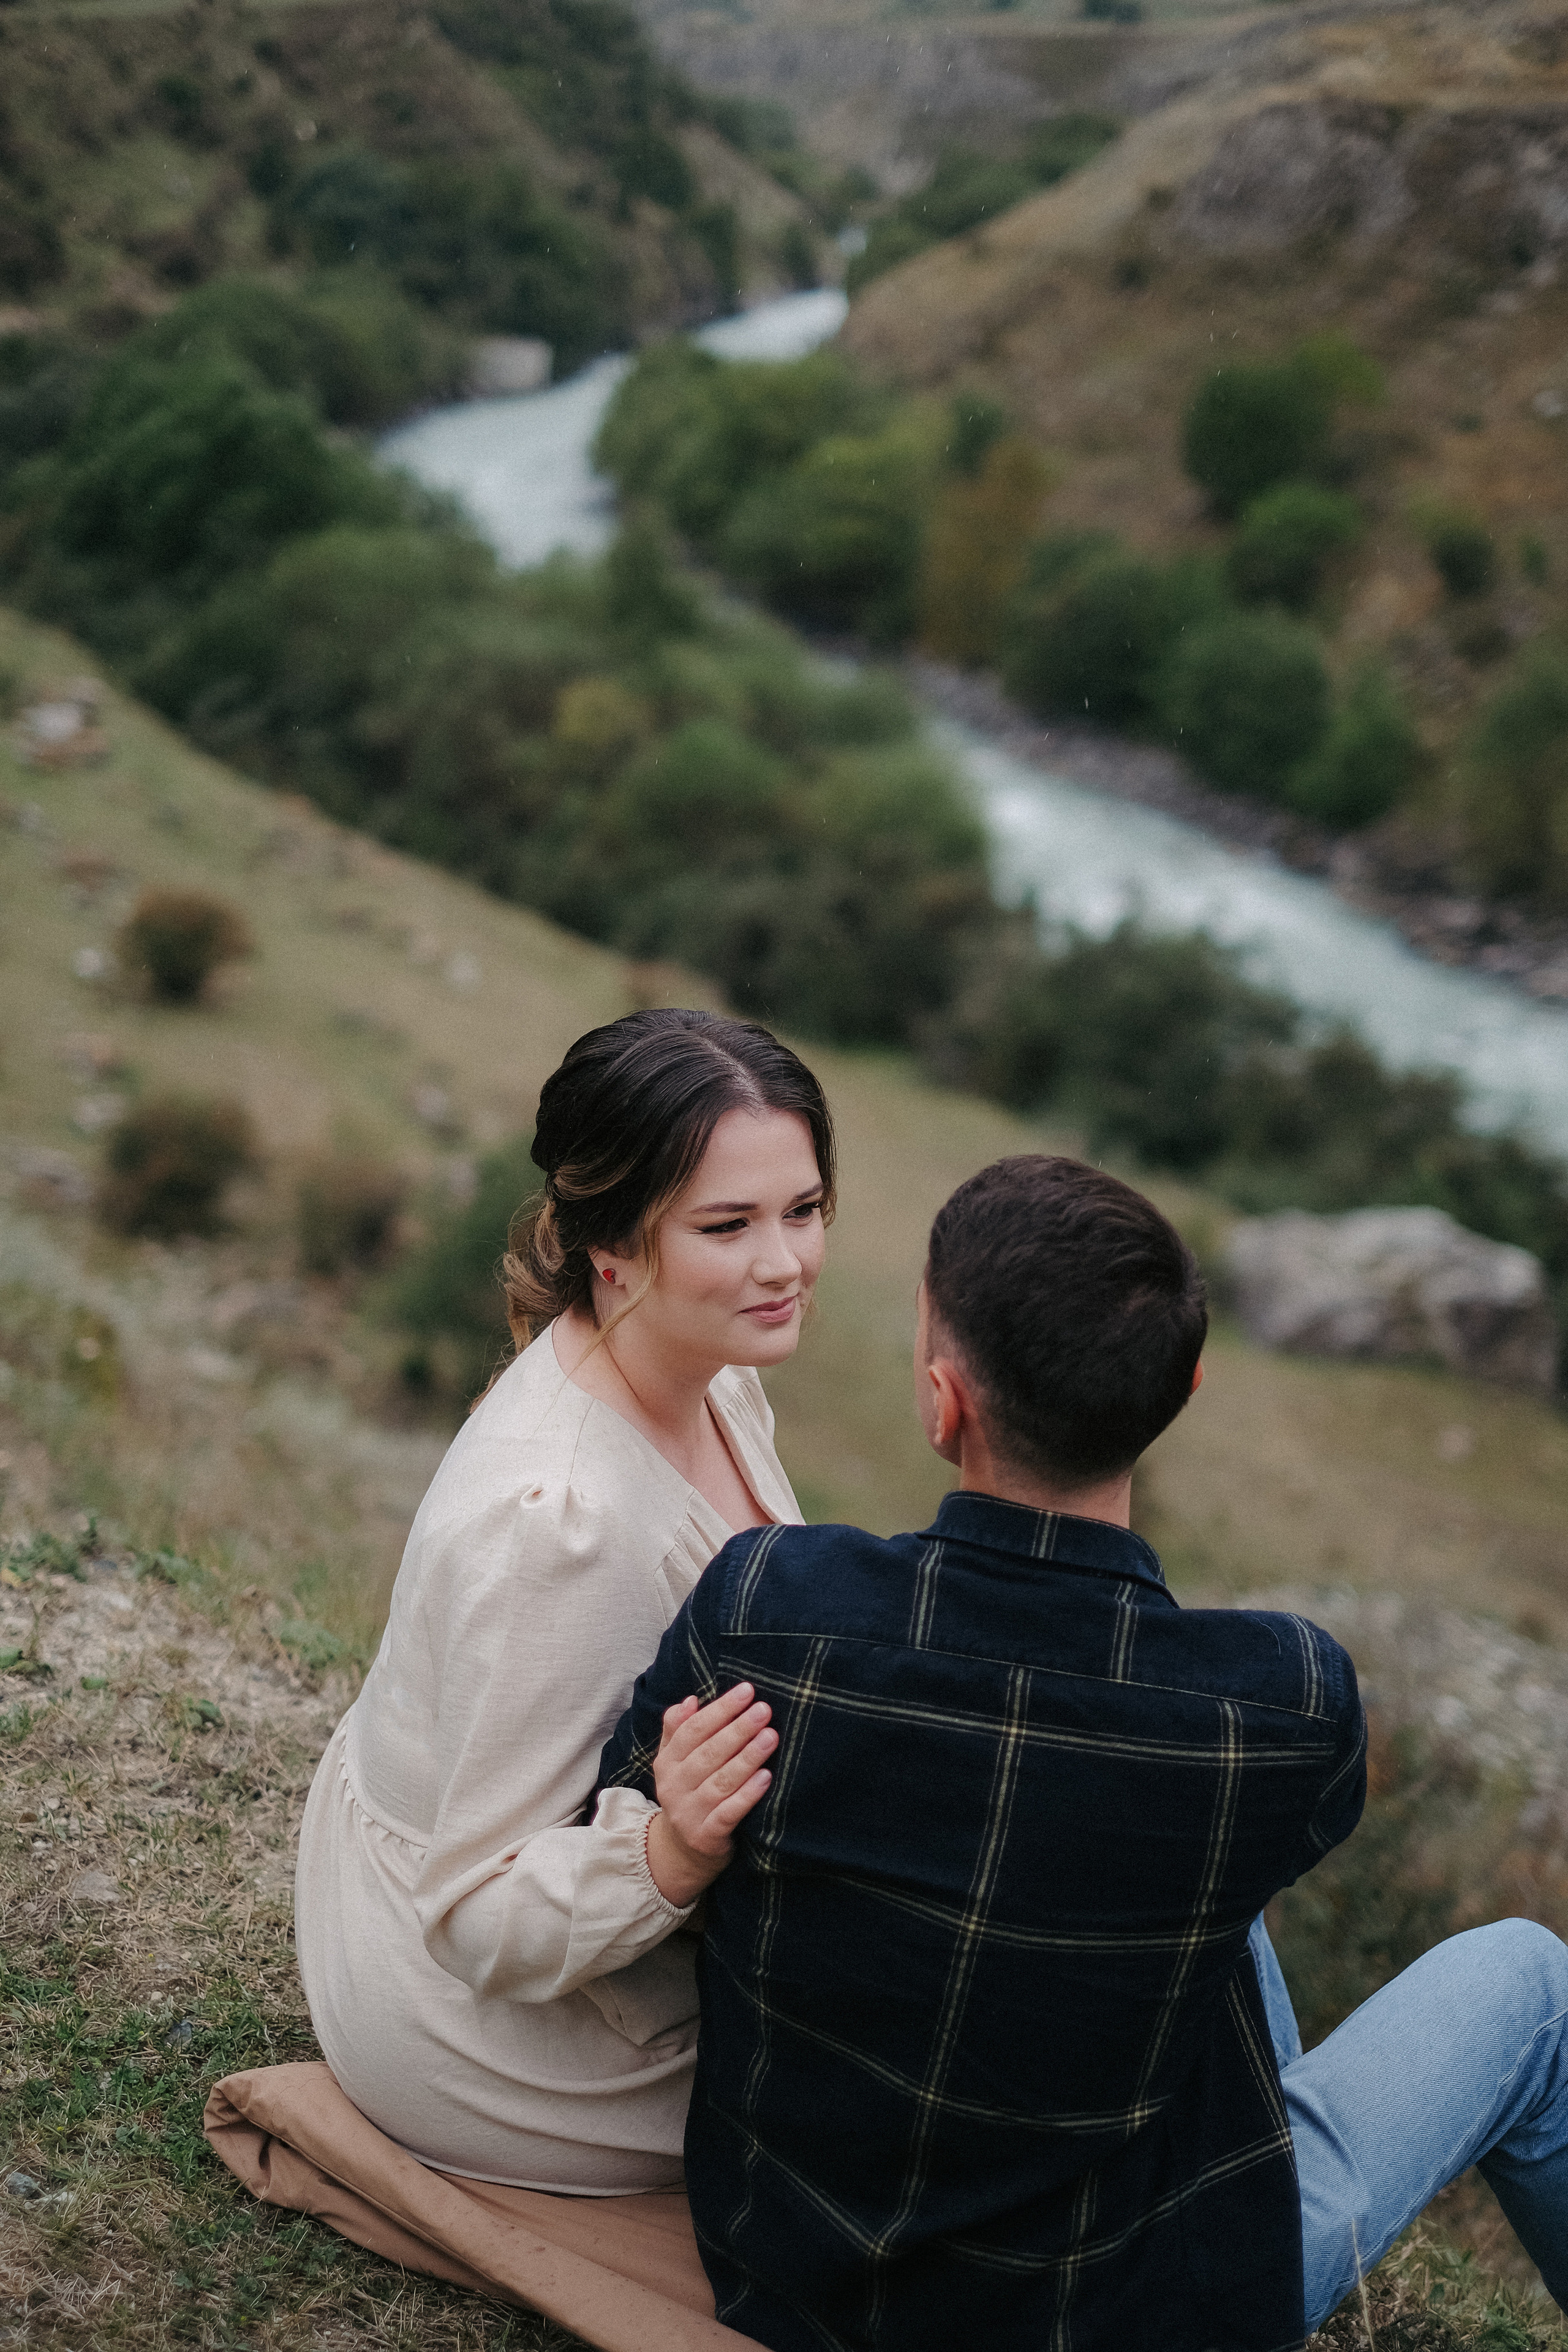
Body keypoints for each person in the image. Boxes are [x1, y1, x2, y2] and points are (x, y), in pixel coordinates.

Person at [600, 1154, 1568, 2350]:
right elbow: (1299, 1828)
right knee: (1526, 1978)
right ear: (1184, 1386)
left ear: (942, 1399)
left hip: (791, 2275)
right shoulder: (1278, 1704)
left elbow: (622, 1814)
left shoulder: (769, 1606)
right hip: (1124, 2317)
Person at [292, 1006, 827, 2195]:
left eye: (802, 1209)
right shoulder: (559, 1526)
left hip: (560, 1890)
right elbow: (477, 1915)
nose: (784, 1260)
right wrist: (673, 1848)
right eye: (728, 1224)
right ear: (616, 1251)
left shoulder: (709, 1370)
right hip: (470, 2022)